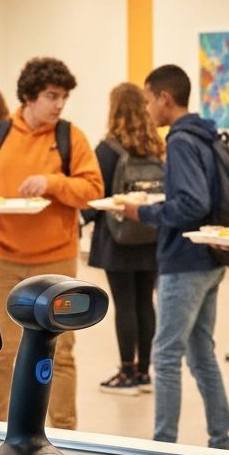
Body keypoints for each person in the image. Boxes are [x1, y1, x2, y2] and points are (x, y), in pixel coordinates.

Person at [0, 56, 102, 427]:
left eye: (64, 97)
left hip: (58, 262)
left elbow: (92, 189)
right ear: (29, 96)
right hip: (3, 258)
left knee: (61, 352)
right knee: (0, 351)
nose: (59, 104)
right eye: (51, 96)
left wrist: (51, 183)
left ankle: (65, 431)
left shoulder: (70, 137)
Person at [119, 64, 229, 450]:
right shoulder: (205, 135)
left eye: (148, 100)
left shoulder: (181, 141)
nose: (146, 109)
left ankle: (163, 445)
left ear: (165, 98)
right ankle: (220, 441)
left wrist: (143, 212)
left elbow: (192, 203)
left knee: (166, 356)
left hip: (184, 262)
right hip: (208, 259)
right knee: (201, 355)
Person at [84, 83, 163, 395]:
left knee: (125, 304)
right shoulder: (155, 146)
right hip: (150, 234)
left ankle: (126, 371)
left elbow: (96, 193)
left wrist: (81, 219)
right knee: (146, 302)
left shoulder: (107, 149)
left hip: (117, 239)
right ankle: (144, 371)